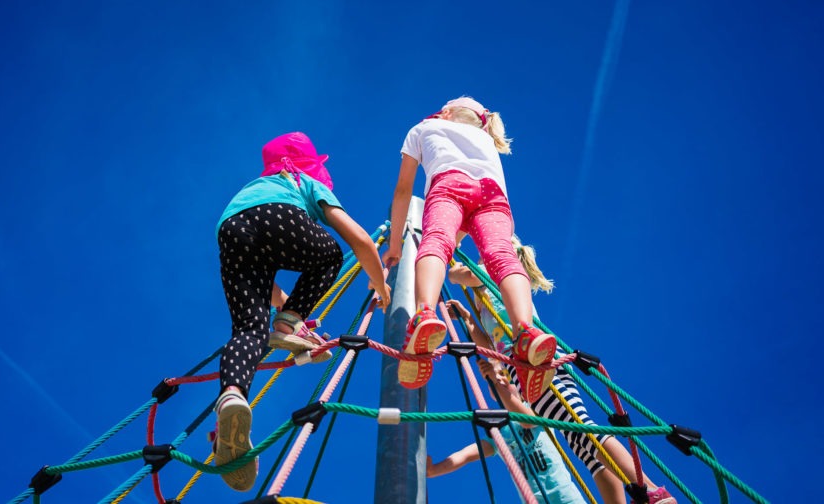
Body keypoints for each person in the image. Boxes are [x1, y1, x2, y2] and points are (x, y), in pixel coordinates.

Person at [213, 131, 391, 491]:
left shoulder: (257, 185)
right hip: (278, 217)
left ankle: (232, 397)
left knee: (248, 330)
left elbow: (269, 285)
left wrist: (285, 307)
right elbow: (358, 239)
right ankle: (288, 324)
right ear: (307, 164)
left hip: (230, 228)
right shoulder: (303, 181)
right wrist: (382, 285)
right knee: (329, 256)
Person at [448, 238, 676, 504]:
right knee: (582, 445)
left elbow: (456, 275)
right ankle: (639, 494)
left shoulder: (500, 269)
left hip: (533, 362)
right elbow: (489, 343)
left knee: (581, 428)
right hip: (523, 368)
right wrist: (467, 319)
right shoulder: (488, 297)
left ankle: (650, 490)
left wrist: (449, 245)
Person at [381, 96, 556, 402]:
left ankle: (424, 313)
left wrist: (395, 243)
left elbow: (402, 191)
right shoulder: (484, 139)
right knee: (502, 255)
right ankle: (526, 331)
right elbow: (473, 194)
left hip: (449, 186)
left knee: (436, 240)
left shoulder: (425, 127)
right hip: (492, 195)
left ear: (446, 112)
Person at [428, 356, 587, 504]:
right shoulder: (498, 433)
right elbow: (465, 456)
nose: (501, 378)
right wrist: (434, 470)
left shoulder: (535, 408)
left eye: (506, 375)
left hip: (565, 496)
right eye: (497, 376)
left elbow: (527, 422)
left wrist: (496, 383)